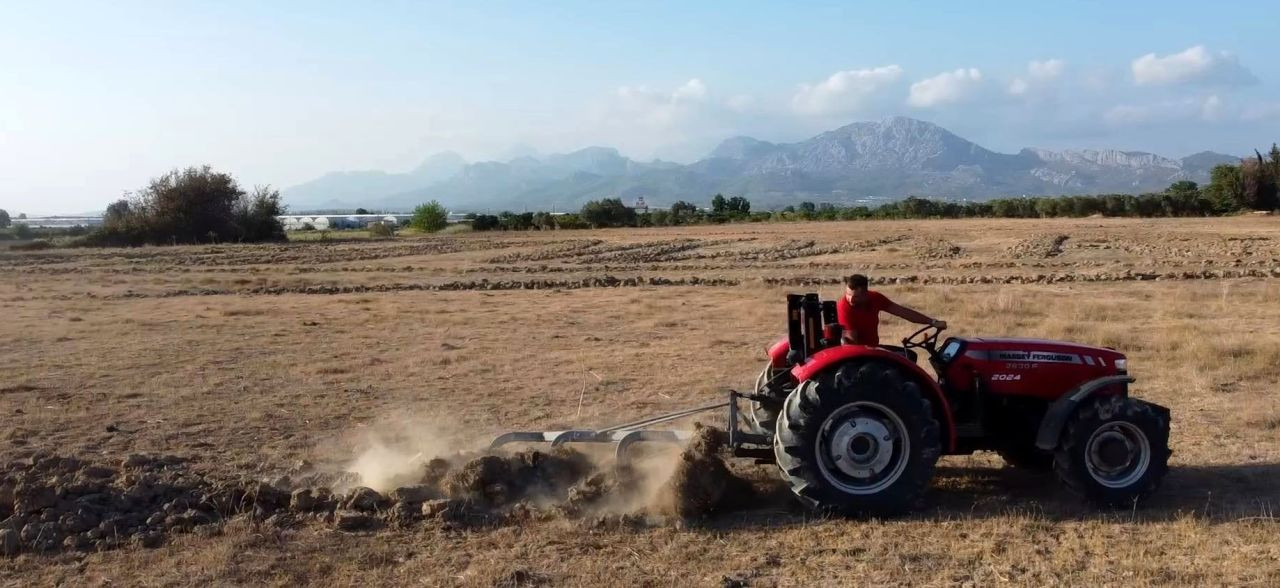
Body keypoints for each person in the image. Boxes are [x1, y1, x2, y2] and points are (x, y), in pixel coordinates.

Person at [837, 274, 946, 348]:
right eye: (848, 295)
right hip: (861, 354)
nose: (850, 299)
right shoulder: (844, 307)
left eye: (855, 296)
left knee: (909, 356)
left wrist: (932, 322)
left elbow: (903, 312)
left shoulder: (875, 298)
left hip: (873, 348)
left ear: (866, 294)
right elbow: (852, 344)